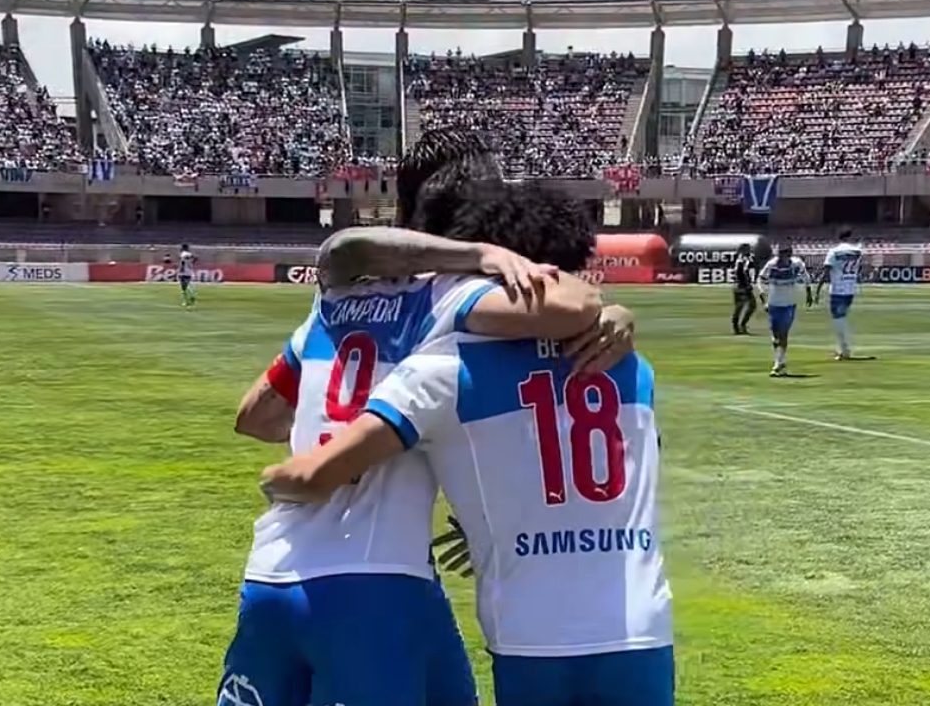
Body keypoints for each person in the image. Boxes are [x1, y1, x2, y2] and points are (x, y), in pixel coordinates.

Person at [222, 132, 629, 706]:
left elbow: (256, 418)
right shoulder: (451, 301)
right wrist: (611, 310)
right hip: (376, 581)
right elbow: (571, 310)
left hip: (271, 571)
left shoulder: (331, 303)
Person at [757, 244, 813, 377]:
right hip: (774, 303)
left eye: (784, 255)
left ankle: (779, 363)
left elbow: (806, 277)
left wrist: (809, 293)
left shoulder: (796, 264)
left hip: (789, 303)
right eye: (779, 255)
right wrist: (764, 299)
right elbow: (760, 279)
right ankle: (780, 362)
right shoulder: (771, 265)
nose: (781, 258)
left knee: (783, 334)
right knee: (775, 337)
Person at [816, 229, 863, 360]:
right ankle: (842, 347)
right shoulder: (857, 251)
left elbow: (826, 271)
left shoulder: (834, 251)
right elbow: (858, 268)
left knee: (838, 319)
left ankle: (844, 349)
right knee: (842, 318)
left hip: (838, 289)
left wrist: (818, 289)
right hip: (850, 288)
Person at [731, 243, 757, 335]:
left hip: (738, 285)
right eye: (748, 249)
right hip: (742, 286)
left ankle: (737, 326)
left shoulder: (740, 258)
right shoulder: (743, 259)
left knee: (740, 306)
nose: (750, 251)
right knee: (747, 305)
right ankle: (740, 325)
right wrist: (747, 284)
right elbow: (741, 272)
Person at [178, 243, 197, 308]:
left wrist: (181, 269)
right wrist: (191, 264)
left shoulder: (183, 254)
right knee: (188, 284)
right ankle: (192, 296)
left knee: (183, 288)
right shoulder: (190, 254)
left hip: (183, 272)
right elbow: (195, 258)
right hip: (189, 272)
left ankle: (185, 301)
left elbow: (182, 262)